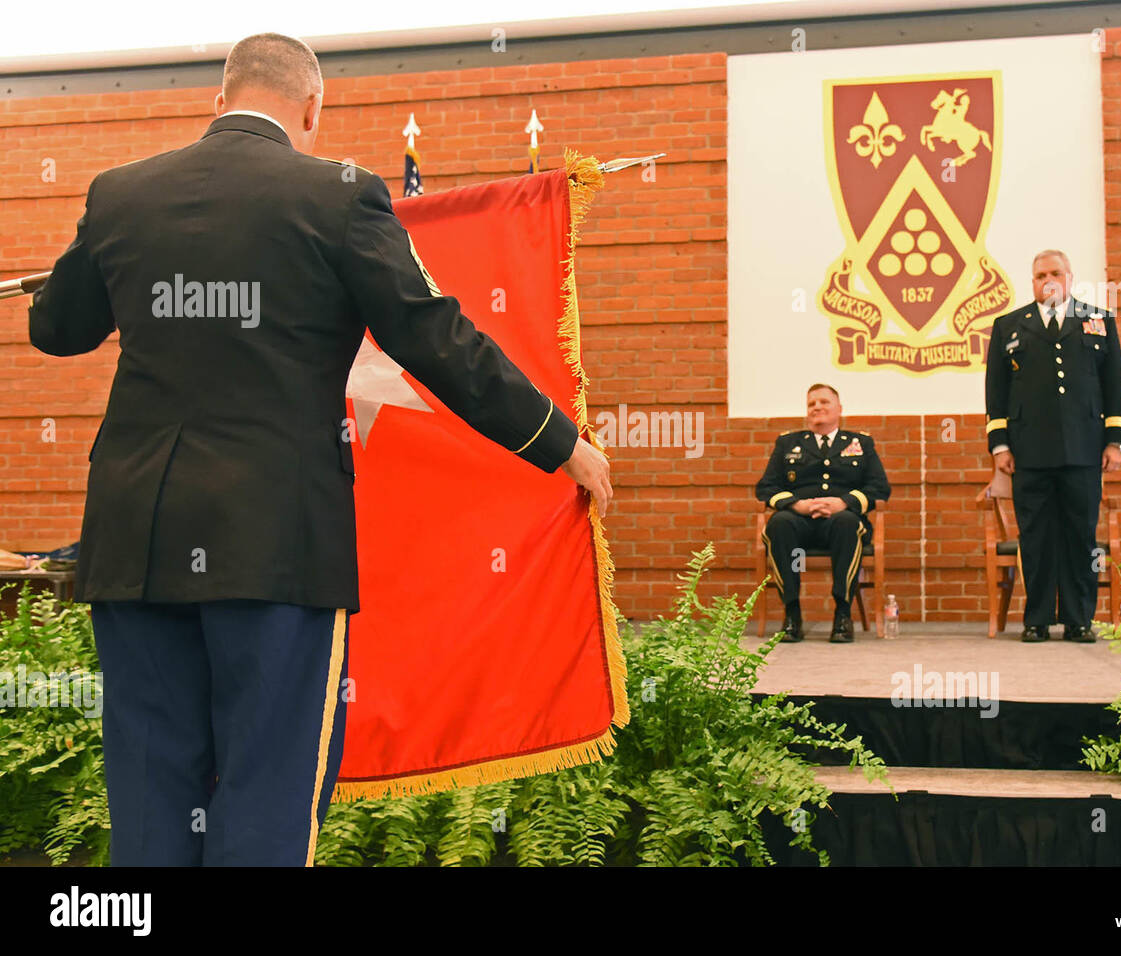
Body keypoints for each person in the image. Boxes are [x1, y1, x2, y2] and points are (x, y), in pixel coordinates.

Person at [26, 33, 611, 866]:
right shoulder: (337, 197)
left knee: (152, 802)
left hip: (136, 544)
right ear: (312, 108)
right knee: (265, 792)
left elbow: (56, 329)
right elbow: (434, 336)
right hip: (274, 544)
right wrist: (558, 441)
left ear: (218, 100)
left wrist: (85, 272)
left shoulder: (121, 194)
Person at [984, 249, 1121, 644]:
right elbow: (996, 394)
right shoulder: (1009, 326)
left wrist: (1115, 441)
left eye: (1054, 273)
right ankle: (1037, 619)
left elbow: (1114, 385)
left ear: (1069, 277)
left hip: (1084, 451)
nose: (1046, 280)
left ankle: (1080, 620)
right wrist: (1000, 446)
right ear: (1031, 281)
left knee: (1080, 536)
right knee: (1035, 538)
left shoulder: (1097, 320)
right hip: (1029, 453)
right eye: (1039, 275)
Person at [756, 384, 890, 643]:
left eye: (824, 402)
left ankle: (842, 614)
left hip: (840, 523)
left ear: (839, 409)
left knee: (847, 523)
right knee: (779, 524)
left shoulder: (860, 443)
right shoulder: (788, 443)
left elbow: (879, 488)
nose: (817, 407)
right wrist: (798, 505)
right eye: (811, 404)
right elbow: (766, 487)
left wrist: (844, 502)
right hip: (799, 524)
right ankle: (792, 614)